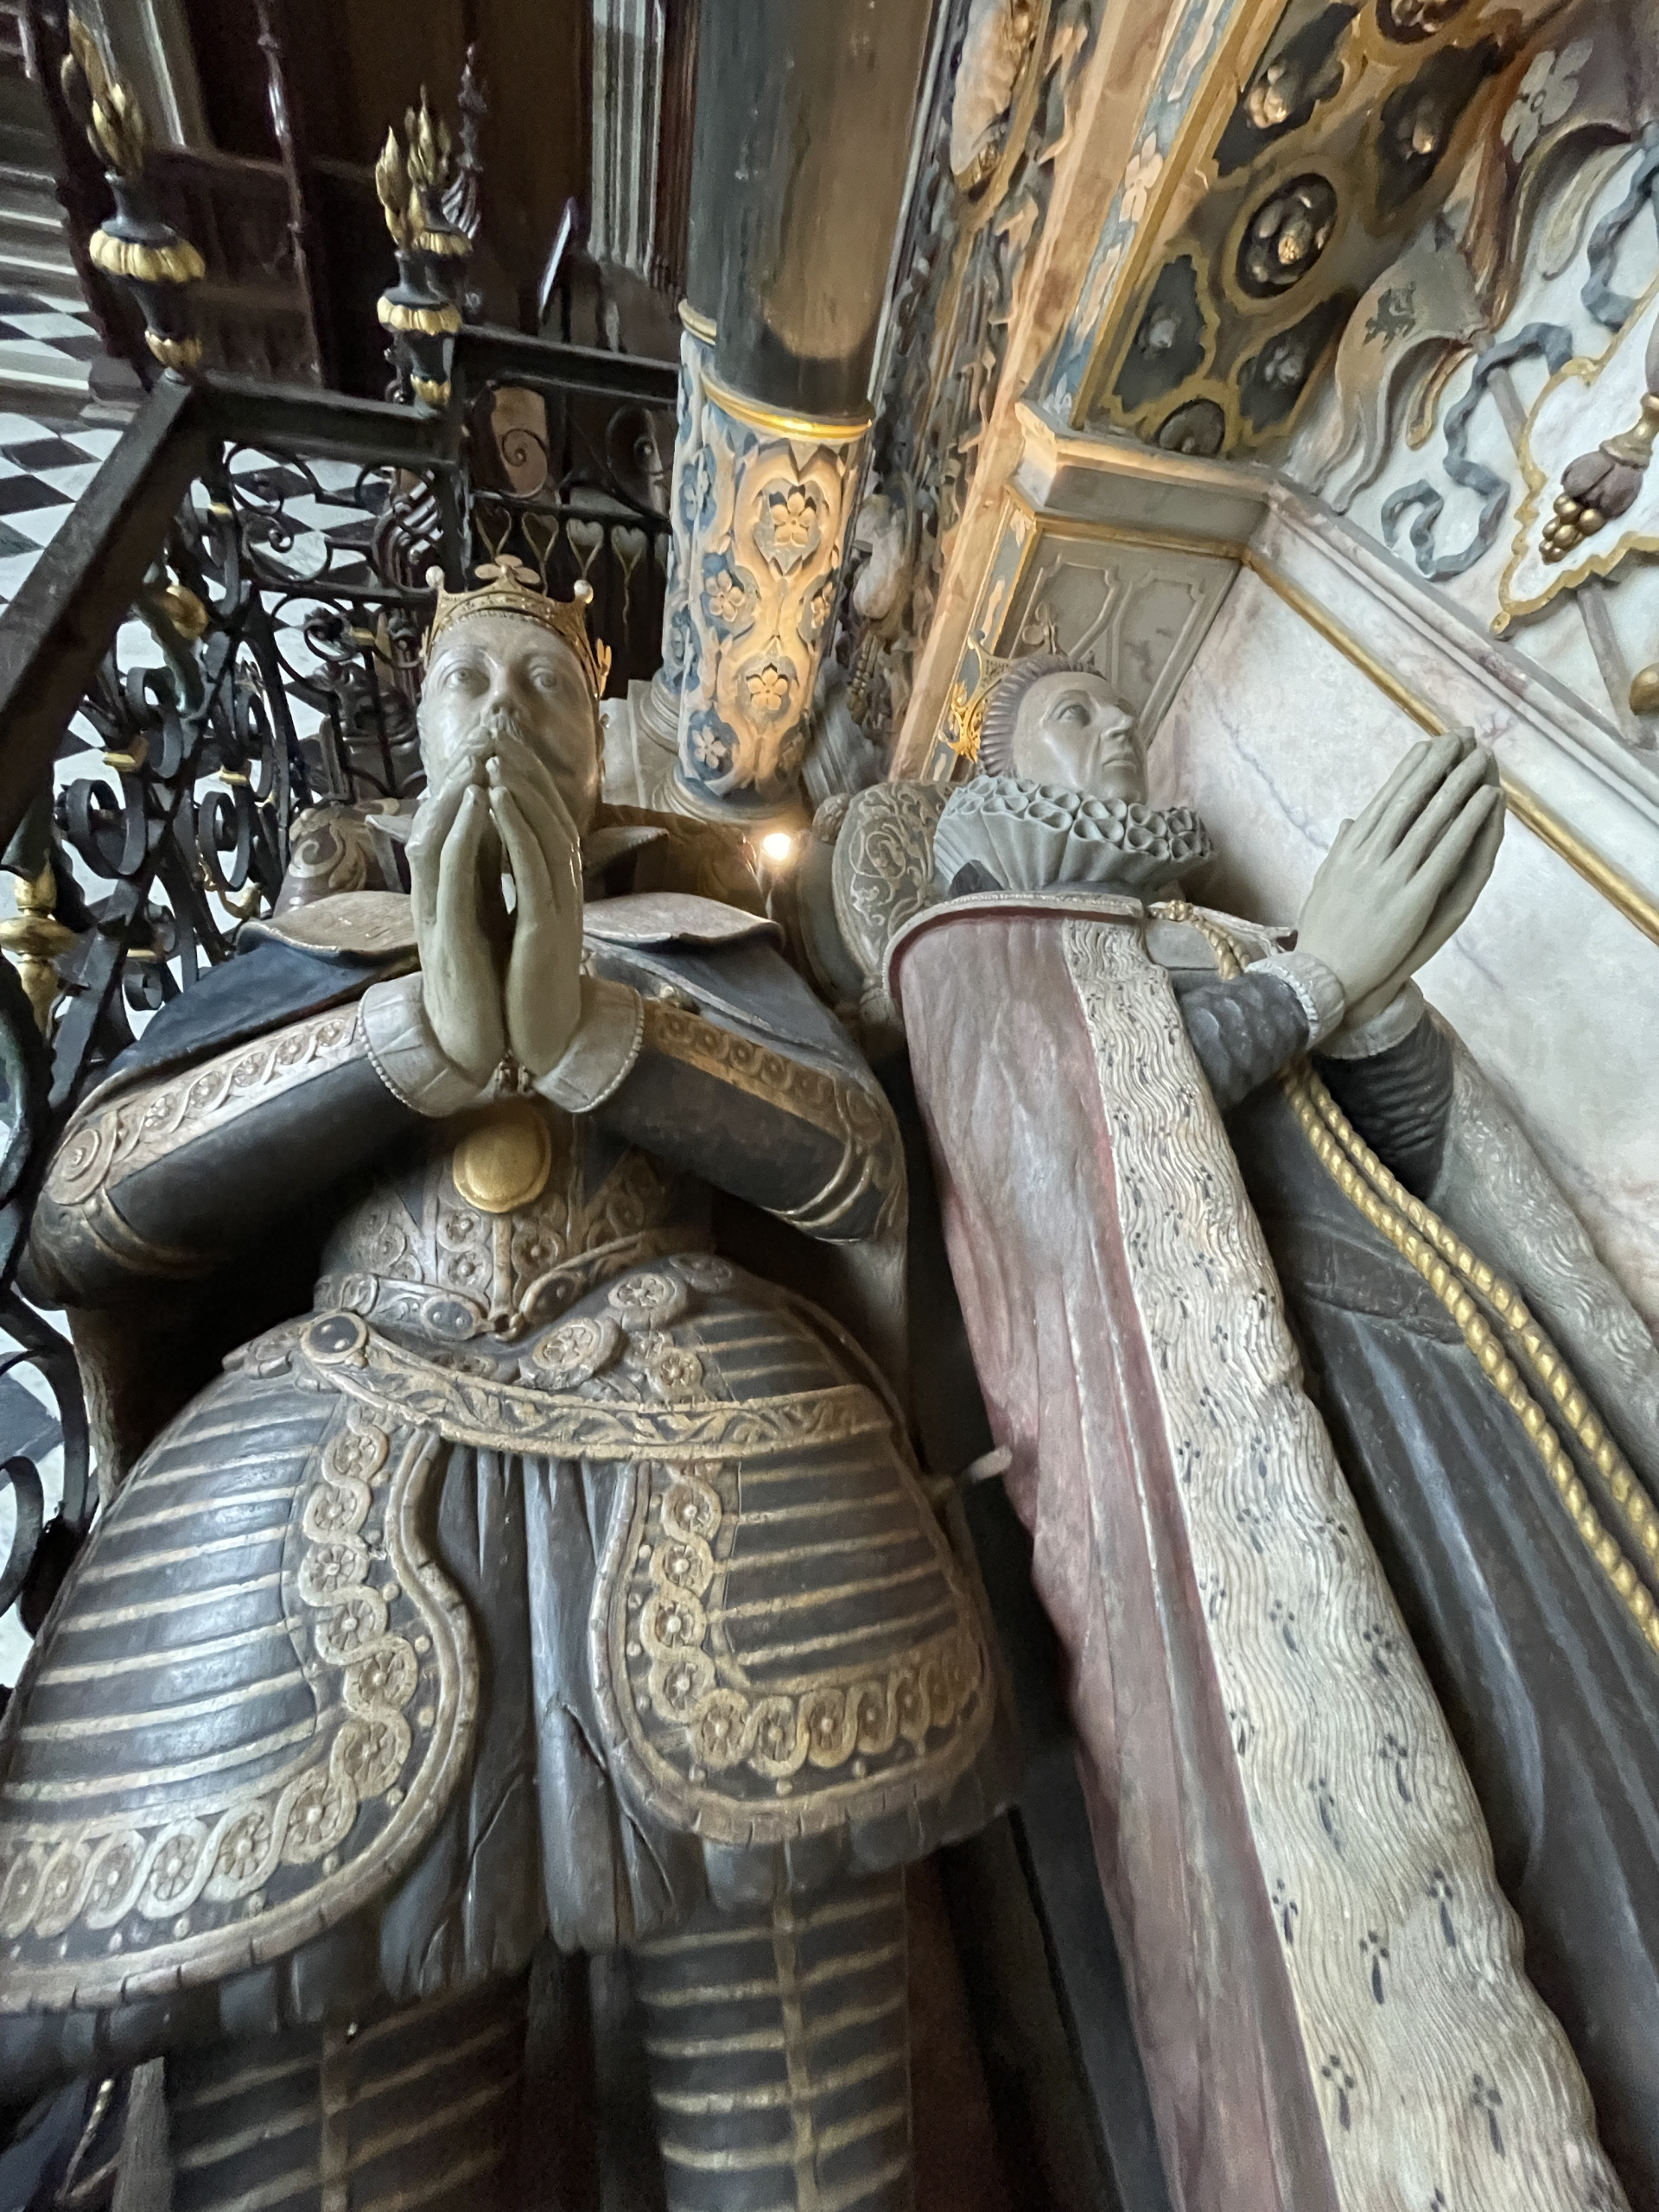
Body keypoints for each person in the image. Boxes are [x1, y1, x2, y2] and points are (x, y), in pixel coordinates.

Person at [0, 563, 1014, 2212]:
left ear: (602, 742)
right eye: (467, 682)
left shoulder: (697, 938)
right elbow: (90, 1211)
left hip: (701, 1414)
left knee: (812, 2151)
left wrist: (594, 1023)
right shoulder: (311, 951)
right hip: (328, 1444)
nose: (502, 715)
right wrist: (406, 1035)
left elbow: (855, 1173)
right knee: (321, 2103)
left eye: (545, 689)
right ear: (410, 727)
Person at [820, 652, 1657, 2210]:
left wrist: (1379, 1003)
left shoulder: (1201, 935)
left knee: (1607, 1715)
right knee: (1534, 1790)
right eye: (1074, 714)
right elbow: (1071, 1202)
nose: (1120, 721)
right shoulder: (972, 953)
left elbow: (1394, 1149)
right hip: (1309, 1441)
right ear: (988, 793)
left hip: (1441, 1352)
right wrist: (1317, 982)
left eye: (1117, 699)